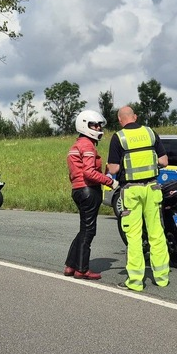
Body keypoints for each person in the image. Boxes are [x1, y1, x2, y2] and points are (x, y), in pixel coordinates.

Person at [106, 106, 169, 291]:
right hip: (152, 188)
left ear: (120, 120)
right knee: (156, 233)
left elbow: (114, 170)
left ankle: (135, 281)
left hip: (132, 191)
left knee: (134, 236)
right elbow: (164, 161)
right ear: (135, 117)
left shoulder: (119, 137)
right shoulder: (150, 133)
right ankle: (162, 277)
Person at [65, 109, 118, 280]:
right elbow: (88, 172)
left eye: (98, 125)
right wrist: (110, 181)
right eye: (94, 125)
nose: (97, 128)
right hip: (89, 190)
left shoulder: (76, 145)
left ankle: (70, 266)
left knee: (84, 230)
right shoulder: (88, 145)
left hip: (78, 189)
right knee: (89, 231)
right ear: (84, 125)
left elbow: (75, 172)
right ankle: (82, 269)